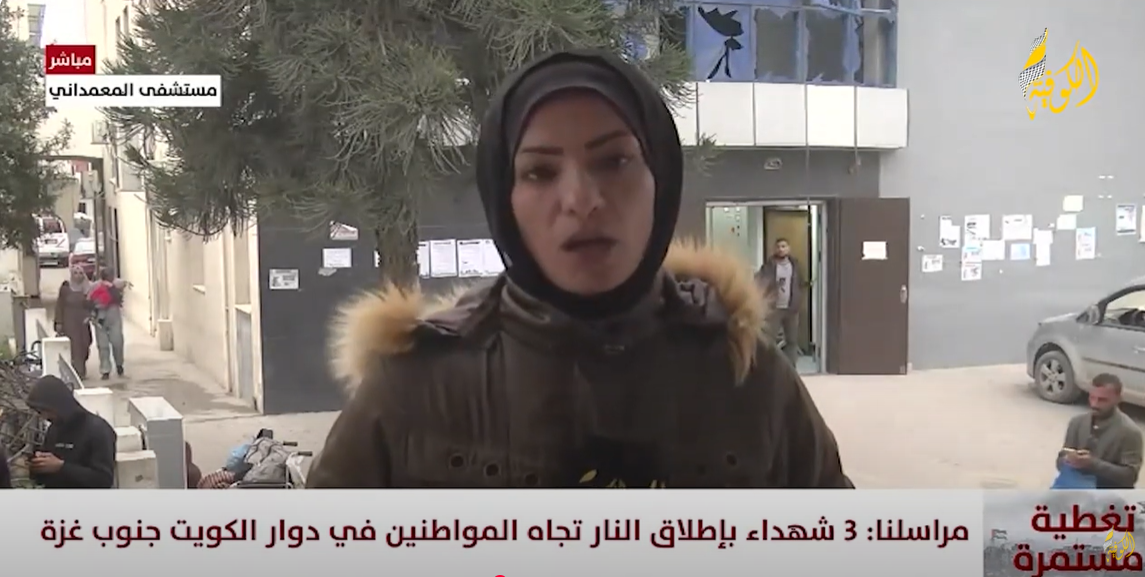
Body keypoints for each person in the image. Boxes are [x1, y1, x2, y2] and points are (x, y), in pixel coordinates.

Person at [307, 49, 851, 489]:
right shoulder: (413, 384)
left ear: (660, 178)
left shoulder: (747, 373)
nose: (582, 200)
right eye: (540, 172)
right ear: (503, 198)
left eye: (614, 161)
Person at [25, 375, 116, 488]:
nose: (45, 417)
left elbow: (103, 480)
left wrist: (62, 467)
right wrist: (37, 466)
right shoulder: (54, 429)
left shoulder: (98, 430)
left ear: (58, 405)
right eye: (40, 412)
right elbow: (45, 478)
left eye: (46, 410)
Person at [1056, 373, 1143, 489]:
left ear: (1118, 399)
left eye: (1102, 400)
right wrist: (1068, 460)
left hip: (1109, 492)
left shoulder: (1130, 432)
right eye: (1092, 398)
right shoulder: (1077, 423)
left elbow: (1130, 477)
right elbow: (1061, 461)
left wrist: (1093, 464)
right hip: (1075, 486)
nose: (1095, 404)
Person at [755, 238, 806, 365]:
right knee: (769, 340)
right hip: (774, 309)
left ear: (789, 248)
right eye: (778, 247)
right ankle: (769, 366)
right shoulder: (769, 266)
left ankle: (791, 368)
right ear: (775, 249)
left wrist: (798, 300)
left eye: (784, 246)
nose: (781, 249)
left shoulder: (795, 266)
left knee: (792, 341)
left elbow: (801, 283)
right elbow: (760, 282)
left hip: (791, 308)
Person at [54, 266, 94, 379]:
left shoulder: (88, 289)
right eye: (75, 273)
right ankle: (78, 372)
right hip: (69, 320)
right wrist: (59, 322)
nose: (78, 275)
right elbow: (59, 305)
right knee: (74, 345)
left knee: (85, 344)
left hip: (83, 321)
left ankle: (81, 367)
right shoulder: (65, 288)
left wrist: (90, 315)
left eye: (81, 273)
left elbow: (92, 305)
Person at [89, 267, 127, 380]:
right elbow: (89, 298)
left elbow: (123, 284)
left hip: (113, 315)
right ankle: (105, 369)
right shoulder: (95, 286)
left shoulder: (116, 284)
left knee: (117, 342)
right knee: (103, 345)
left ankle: (119, 364)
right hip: (100, 315)